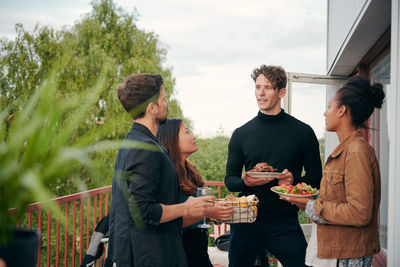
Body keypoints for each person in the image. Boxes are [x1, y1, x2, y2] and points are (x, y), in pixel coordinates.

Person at [107, 74, 213, 267]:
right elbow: (143, 211)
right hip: (149, 256)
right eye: (163, 99)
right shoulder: (145, 150)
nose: (166, 103)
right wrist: (187, 207)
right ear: (152, 108)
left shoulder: (134, 142)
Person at [225, 65, 322, 267]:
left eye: (268, 87)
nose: (260, 93)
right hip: (246, 221)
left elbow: (316, 177)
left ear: (281, 92)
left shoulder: (303, 132)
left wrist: (293, 182)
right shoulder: (241, 134)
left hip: (284, 222)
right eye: (257, 87)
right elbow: (230, 180)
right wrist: (246, 182)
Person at [283, 75, 384, 267]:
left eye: (329, 107)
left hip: (347, 254)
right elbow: (338, 200)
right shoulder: (346, 149)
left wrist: (312, 206)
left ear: (342, 110)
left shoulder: (356, 152)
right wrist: (303, 201)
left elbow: (359, 213)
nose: (324, 113)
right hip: (336, 249)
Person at [157, 118, 234, 267]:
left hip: (198, 249)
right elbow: (169, 222)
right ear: (172, 139)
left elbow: (198, 212)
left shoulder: (189, 171)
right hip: (181, 250)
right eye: (187, 132)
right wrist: (209, 213)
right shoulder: (166, 176)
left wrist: (218, 211)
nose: (193, 136)